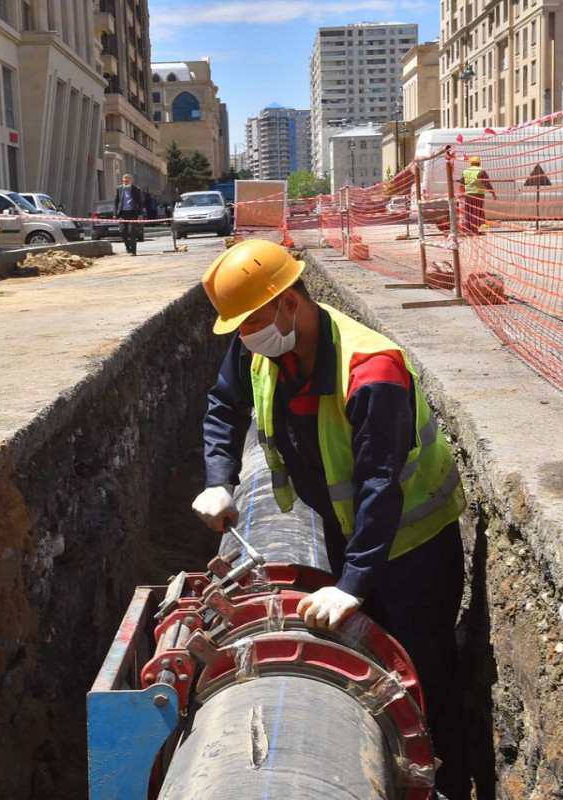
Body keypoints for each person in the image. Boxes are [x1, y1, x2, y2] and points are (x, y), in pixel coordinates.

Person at [191, 239, 470, 797]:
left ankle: (448, 780)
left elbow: (378, 487)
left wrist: (353, 585)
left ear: (290, 303)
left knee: (426, 671)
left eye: (250, 322)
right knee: (367, 655)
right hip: (350, 535)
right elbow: (224, 406)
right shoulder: (261, 345)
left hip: (414, 548)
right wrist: (220, 479)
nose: (244, 337)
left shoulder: (371, 371)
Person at [461, 156, 496, 236]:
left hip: (468, 195)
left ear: (470, 163)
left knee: (469, 212)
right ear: (479, 163)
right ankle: (474, 230)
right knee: (476, 212)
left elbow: (462, 182)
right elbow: (487, 183)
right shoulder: (481, 171)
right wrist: (492, 192)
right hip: (478, 194)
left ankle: (469, 229)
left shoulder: (465, 171)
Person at [113, 174, 145, 256]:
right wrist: (115, 213)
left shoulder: (136, 189)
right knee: (123, 232)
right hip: (122, 214)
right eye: (124, 181)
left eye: (127, 181)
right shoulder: (119, 189)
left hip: (132, 214)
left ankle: (133, 251)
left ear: (131, 180)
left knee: (132, 232)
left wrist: (140, 214)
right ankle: (127, 246)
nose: (125, 182)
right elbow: (116, 202)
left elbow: (140, 203)